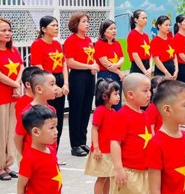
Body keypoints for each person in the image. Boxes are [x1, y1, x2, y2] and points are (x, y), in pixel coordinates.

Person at [109, 73, 154, 194]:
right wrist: (119, 169)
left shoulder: (144, 115)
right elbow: (115, 143)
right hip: (129, 173)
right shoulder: (122, 116)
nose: (149, 94)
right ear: (130, 94)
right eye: (144, 91)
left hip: (145, 173)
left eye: (149, 90)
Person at [0, 17, 23, 179]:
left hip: (14, 96)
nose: (7, 33)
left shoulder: (13, 50)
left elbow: (21, 66)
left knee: (11, 132)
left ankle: (8, 164)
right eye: (3, 30)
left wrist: (17, 84)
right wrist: (14, 84)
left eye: (9, 30)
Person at [30, 16, 70, 143]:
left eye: (57, 25)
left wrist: (65, 84)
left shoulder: (57, 44)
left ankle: (55, 154)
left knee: (58, 117)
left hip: (59, 79)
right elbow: (39, 68)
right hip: (46, 81)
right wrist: (53, 86)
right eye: (53, 25)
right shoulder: (37, 45)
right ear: (43, 29)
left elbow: (64, 64)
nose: (56, 28)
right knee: (47, 118)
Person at [64, 11, 98, 157]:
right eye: (84, 21)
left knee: (86, 109)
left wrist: (94, 65)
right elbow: (70, 62)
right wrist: (89, 66)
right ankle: (75, 144)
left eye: (87, 21)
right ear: (76, 24)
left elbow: (92, 57)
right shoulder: (71, 40)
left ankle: (83, 141)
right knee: (76, 110)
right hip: (78, 76)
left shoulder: (88, 39)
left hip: (89, 76)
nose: (87, 24)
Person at [86, 79, 120, 194]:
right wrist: (97, 148)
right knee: (101, 178)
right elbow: (94, 129)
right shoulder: (100, 111)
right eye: (116, 94)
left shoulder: (112, 111)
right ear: (105, 96)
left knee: (108, 178)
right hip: (102, 151)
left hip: (110, 150)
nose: (118, 96)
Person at [13, 69, 58, 159]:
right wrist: (25, 155)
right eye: (52, 84)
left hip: (50, 155)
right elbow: (18, 137)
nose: (56, 88)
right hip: (33, 157)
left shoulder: (51, 109)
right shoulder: (27, 112)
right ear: (39, 89)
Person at [95, 19, 126, 104]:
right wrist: (119, 72)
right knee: (107, 100)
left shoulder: (117, 43)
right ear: (104, 32)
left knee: (117, 100)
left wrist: (116, 66)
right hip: (105, 75)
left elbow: (122, 58)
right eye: (111, 29)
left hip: (117, 74)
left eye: (115, 28)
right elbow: (105, 63)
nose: (114, 31)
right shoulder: (99, 44)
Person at [127, 10, 152, 76]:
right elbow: (135, 55)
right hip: (137, 67)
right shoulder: (132, 34)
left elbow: (150, 53)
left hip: (147, 67)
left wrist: (150, 67)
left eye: (146, 18)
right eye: (143, 18)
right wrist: (144, 71)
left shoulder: (146, 36)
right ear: (136, 19)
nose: (145, 20)